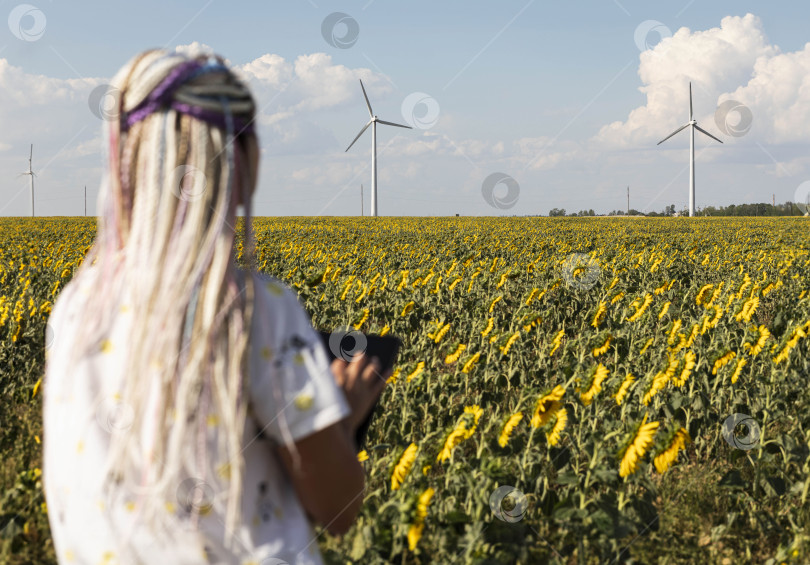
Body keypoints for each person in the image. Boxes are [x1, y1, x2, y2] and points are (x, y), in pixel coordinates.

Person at [42, 48, 389, 565]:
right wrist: (344, 419)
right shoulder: (252, 310)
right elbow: (337, 509)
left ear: (123, 159)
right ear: (242, 164)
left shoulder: (74, 308)